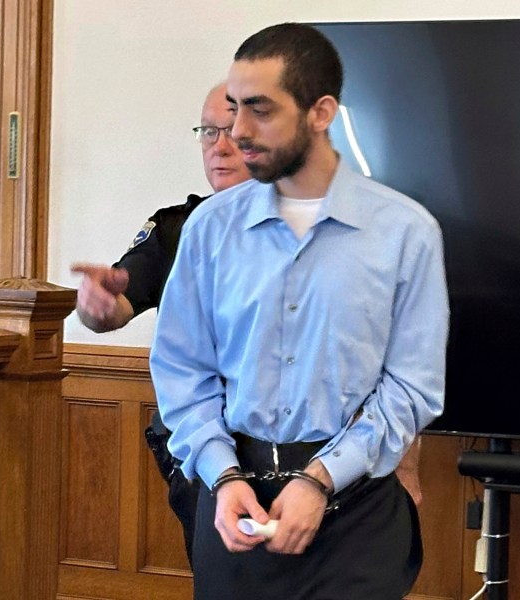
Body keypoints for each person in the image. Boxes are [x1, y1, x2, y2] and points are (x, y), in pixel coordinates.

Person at [149, 22, 449, 600]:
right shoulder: (210, 229)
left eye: (259, 110)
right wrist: (222, 474)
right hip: (233, 500)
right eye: (234, 109)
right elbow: (183, 370)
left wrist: (319, 479)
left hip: (356, 509)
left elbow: (411, 386)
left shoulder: (406, 232)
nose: (236, 132)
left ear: (320, 111)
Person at [71, 82, 250, 562]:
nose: (220, 146)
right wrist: (98, 305)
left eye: (233, 131)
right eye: (208, 132)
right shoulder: (177, 229)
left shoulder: (312, 229)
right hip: (203, 451)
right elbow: (109, 309)